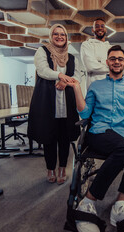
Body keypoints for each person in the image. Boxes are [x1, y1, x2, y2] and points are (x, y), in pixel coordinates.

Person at [67, 45, 124, 232]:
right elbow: (84, 113)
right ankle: (88, 201)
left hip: (123, 133)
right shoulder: (96, 86)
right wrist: (76, 88)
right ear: (107, 62)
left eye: (120, 59)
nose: (116, 61)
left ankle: (121, 204)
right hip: (99, 133)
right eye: (113, 58)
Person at [28, 24, 81, 185]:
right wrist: (60, 76)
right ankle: (50, 168)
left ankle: (62, 168)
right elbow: (42, 70)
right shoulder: (42, 51)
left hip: (67, 101)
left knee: (64, 137)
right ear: (51, 36)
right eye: (56, 34)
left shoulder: (72, 57)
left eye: (63, 34)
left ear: (66, 38)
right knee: (49, 137)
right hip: (47, 100)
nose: (59, 37)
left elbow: (77, 75)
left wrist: (65, 82)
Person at [80, 18, 112, 89]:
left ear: (105, 29)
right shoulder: (87, 45)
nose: (100, 28)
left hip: (110, 88)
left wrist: (99, 63)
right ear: (93, 30)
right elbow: (90, 67)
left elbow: (118, 67)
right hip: (93, 88)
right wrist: (110, 68)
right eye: (97, 26)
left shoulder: (111, 48)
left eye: (102, 26)